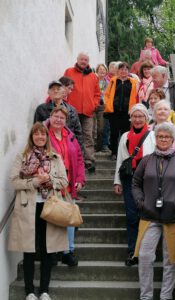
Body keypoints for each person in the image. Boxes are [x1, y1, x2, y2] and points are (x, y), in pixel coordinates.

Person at [132, 122, 175, 300]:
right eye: (160, 136)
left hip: (174, 216)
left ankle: (166, 296)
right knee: (144, 256)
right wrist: (140, 202)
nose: (164, 139)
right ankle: (146, 296)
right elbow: (135, 183)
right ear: (156, 138)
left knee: (170, 259)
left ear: (173, 139)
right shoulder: (147, 160)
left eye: (167, 136)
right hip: (149, 215)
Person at [8, 122, 68, 300]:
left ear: (47, 137)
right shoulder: (23, 157)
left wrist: (49, 179)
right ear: (32, 137)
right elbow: (14, 181)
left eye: (43, 134)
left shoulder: (55, 157)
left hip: (49, 207)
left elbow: (64, 181)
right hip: (29, 208)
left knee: (48, 250)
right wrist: (34, 182)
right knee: (29, 250)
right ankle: (29, 291)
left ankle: (44, 290)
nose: (40, 137)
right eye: (37, 134)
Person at [114, 104, 155, 266]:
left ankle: (146, 251)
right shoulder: (125, 136)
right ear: (131, 118)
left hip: (147, 178)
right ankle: (133, 252)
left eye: (141, 116)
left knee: (145, 215)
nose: (137, 119)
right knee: (131, 216)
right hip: (129, 178)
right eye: (135, 116)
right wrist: (117, 181)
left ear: (146, 118)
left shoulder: (153, 135)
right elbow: (120, 160)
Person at [46, 107, 85, 267]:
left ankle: (68, 251)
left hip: (68, 184)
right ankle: (53, 251)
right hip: (51, 185)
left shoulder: (70, 136)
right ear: (50, 117)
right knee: (53, 218)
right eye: (56, 116)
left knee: (68, 217)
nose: (59, 120)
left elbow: (79, 158)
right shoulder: (44, 134)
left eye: (62, 117)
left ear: (65, 120)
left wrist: (80, 179)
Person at [64, 52, 100, 172]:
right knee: (70, 135)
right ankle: (72, 159)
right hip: (71, 111)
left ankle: (89, 160)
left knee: (88, 136)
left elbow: (97, 94)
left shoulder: (93, 76)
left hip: (88, 112)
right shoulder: (69, 72)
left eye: (86, 60)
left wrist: (94, 105)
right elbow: (64, 88)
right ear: (77, 59)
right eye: (82, 59)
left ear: (88, 62)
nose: (83, 61)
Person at [34, 80, 83, 151]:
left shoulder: (72, 110)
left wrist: (80, 153)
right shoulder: (41, 109)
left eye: (58, 89)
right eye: (53, 89)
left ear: (63, 92)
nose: (56, 91)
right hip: (49, 149)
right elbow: (36, 131)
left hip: (69, 148)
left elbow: (78, 134)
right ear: (48, 92)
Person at [104, 62, 137, 160]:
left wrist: (133, 109)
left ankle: (124, 153)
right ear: (118, 71)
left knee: (125, 133)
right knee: (114, 133)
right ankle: (114, 152)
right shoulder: (113, 81)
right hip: (114, 112)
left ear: (128, 71)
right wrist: (108, 104)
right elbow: (107, 94)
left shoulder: (133, 82)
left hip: (127, 112)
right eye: (121, 69)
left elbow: (135, 96)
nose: (124, 71)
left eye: (126, 69)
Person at [94, 64, 109, 152]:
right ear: (97, 71)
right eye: (100, 69)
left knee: (101, 127)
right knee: (92, 128)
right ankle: (93, 146)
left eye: (104, 69)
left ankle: (99, 146)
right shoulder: (93, 81)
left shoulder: (108, 82)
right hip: (93, 105)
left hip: (102, 106)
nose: (102, 71)